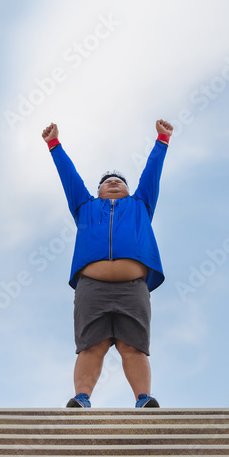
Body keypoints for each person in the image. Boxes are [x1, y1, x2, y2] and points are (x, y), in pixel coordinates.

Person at [42, 119, 173, 408]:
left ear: (128, 189)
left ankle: (143, 400)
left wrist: (162, 140)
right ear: (98, 191)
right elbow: (69, 177)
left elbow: (152, 173)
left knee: (133, 346)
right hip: (92, 288)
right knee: (92, 346)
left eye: (119, 181)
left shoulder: (141, 205)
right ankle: (82, 399)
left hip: (133, 288)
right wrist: (54, 145)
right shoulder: (85, 207)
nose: (113, 182)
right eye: (106, 182)